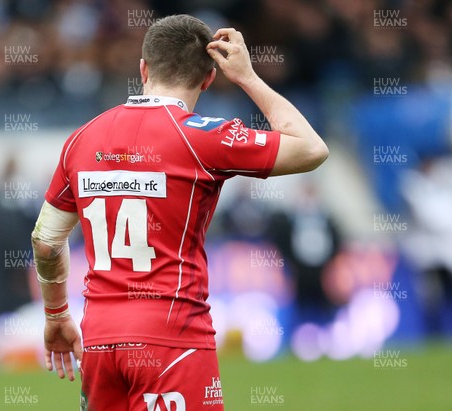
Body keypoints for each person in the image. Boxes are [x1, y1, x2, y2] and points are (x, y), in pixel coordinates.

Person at [31, 14, 328, 410]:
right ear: (208, 79)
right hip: (172, 337)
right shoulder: (205, 137)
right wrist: (247, 78)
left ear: (143, 68)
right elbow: (311, 149)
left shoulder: (81, 139)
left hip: (99, 339)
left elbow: (46, 242)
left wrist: (55, 314)